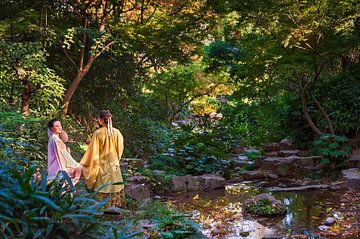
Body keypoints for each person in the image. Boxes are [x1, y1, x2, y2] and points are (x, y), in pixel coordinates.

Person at [80, 110, 125, 208]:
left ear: (100, 120)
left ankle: (104, 212)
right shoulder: (117, 133)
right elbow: (120, 150)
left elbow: (93, 152)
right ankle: (117, 210)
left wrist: (85, 164)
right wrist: (115, 159)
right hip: (114, 167)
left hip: (102, 167)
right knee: (115, 187)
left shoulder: (98, 133)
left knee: (103, 188)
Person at [47, 119, 82, 185]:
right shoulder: (55, 139)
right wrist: (73, 163)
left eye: (60, 125)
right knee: (79, 167)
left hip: (54, 165)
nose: (60, 127)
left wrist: (67, 152)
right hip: (58, 167)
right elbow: (61, 155)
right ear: (51, 128)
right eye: (57, 126)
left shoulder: (53, 138)